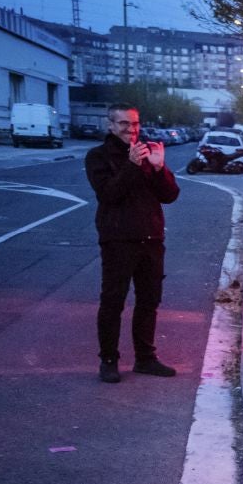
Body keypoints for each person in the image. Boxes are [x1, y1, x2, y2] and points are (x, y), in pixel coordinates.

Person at [84, 103, 179, 383]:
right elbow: (108, 194)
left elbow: (170, 195)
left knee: (149, 301)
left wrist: (160, 168)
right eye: (124, 123)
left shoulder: (147, 152)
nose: (131, 129)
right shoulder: (98, 157)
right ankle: (109, 360)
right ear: (110, 125)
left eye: (135, 124)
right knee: (113, 301)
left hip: (151, 239)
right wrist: (132, 165)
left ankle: (146, 358)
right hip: (118, 240)